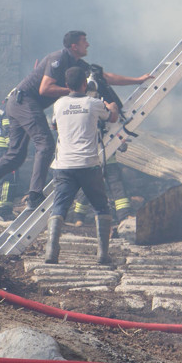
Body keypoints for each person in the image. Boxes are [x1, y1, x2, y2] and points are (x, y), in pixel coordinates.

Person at [0, 31, 152, 212]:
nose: (88, 45)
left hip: (19, 103)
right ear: (74, 46)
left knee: (15, 157)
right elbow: (45, 88)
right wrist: (74, 91)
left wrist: (137, 80)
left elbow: (104, 77)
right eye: (84, 42)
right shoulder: (57, 58)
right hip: (25, 101)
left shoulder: (77, 65)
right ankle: (34, 195)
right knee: (45, 144)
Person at [44, 66, 119, 265]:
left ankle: (51, 250)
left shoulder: (59, 104)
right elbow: (111, 117)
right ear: (85, 84)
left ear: (66, 85)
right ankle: (102, 254)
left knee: (59, 207)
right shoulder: (93, 103)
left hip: (63, 165)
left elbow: (54, 125)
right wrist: (112, 105)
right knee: (101, 207)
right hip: (88, 164)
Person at [0, 102, 18, 219]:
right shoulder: (10, 107)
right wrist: (12, 147)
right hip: (3, 149)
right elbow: (7, 127)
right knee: (6, 178)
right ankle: (4, 211)